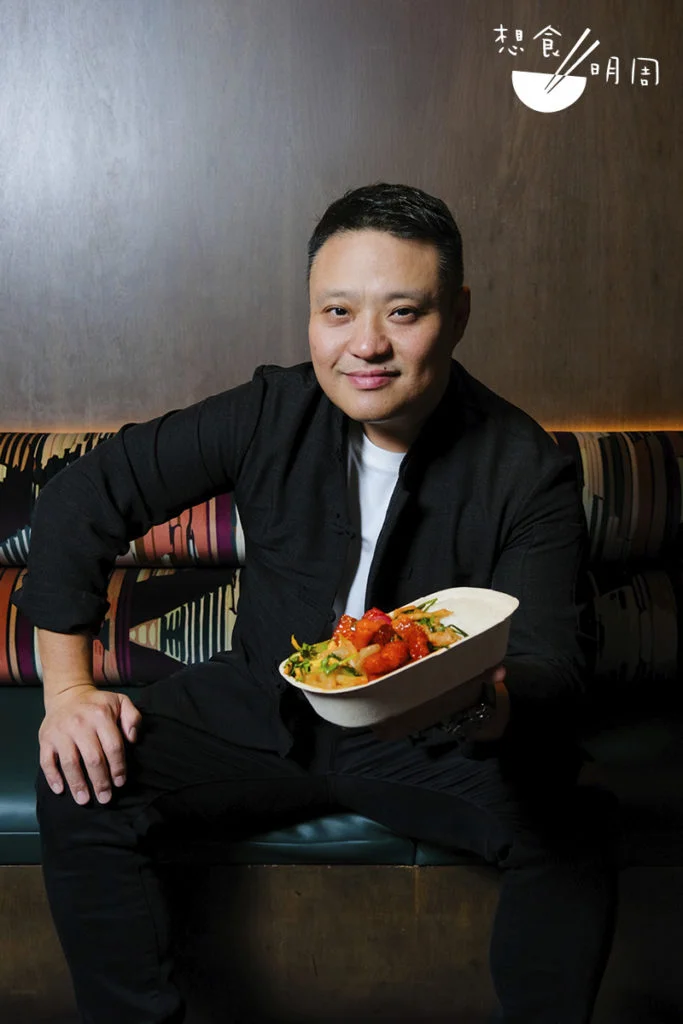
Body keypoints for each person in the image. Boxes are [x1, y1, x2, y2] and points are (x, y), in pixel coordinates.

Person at [15, 183, 617, 1024]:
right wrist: (70, 691)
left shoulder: (525, 466)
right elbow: (83, 496)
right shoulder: (272, 410)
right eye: (337, 312)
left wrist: (482, 707)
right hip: (259, 704)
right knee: (80, 780)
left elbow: (551, 663)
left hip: (430, 734)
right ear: (311, 314)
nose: (365, 345)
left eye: (403, 312)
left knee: (572, 827)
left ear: (457, 314)